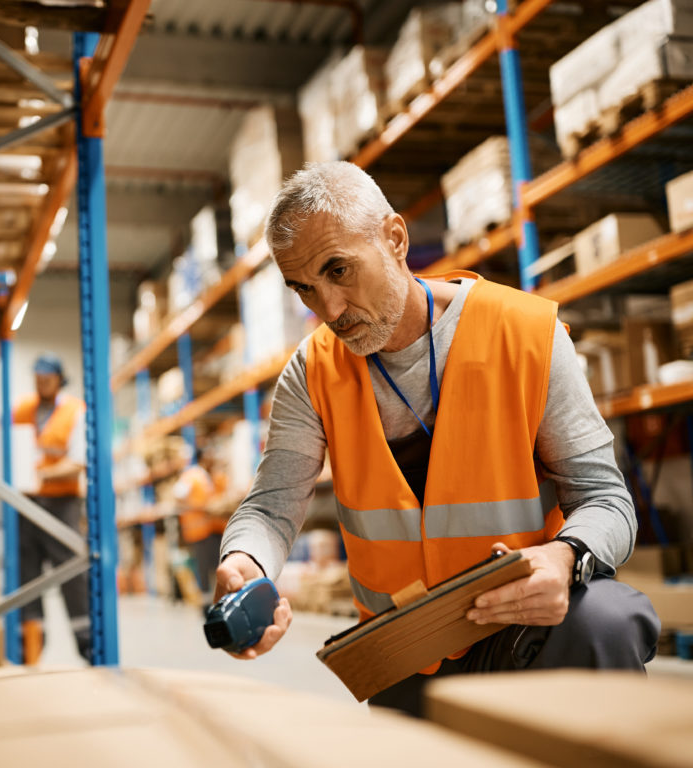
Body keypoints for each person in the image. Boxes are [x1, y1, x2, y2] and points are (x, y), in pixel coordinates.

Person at [215, 161, 660, 717]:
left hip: (522, 624)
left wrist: (566, 557)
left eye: (339, 271)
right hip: (404, 652)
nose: (328, 310)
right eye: (304, 289)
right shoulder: (312, 373)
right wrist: (246, 561)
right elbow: (272, 504)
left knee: (606, 618)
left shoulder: (525, 334)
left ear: (395, 238)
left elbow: (605, 499)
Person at [12, 353, 91, 663]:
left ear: (59, 378)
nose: (41, 381)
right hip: (26, 504)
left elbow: (77, 462)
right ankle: (29, 647)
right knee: (27, 575)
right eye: (37, 376)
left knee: (72, 574)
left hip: (62, 505)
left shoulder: (74, 411)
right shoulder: (21, 408)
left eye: (47, 376)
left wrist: (37, 474)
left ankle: (87, 644)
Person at [173, 449, 228, 608]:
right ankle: (206, 607)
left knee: (216, 567)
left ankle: (217, 602)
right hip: (198, 531)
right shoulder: (193, 475)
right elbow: (178, 495)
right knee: (204, 570)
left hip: (212, 530)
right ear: (204, 457)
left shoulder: (211, 476)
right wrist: (197, 507)